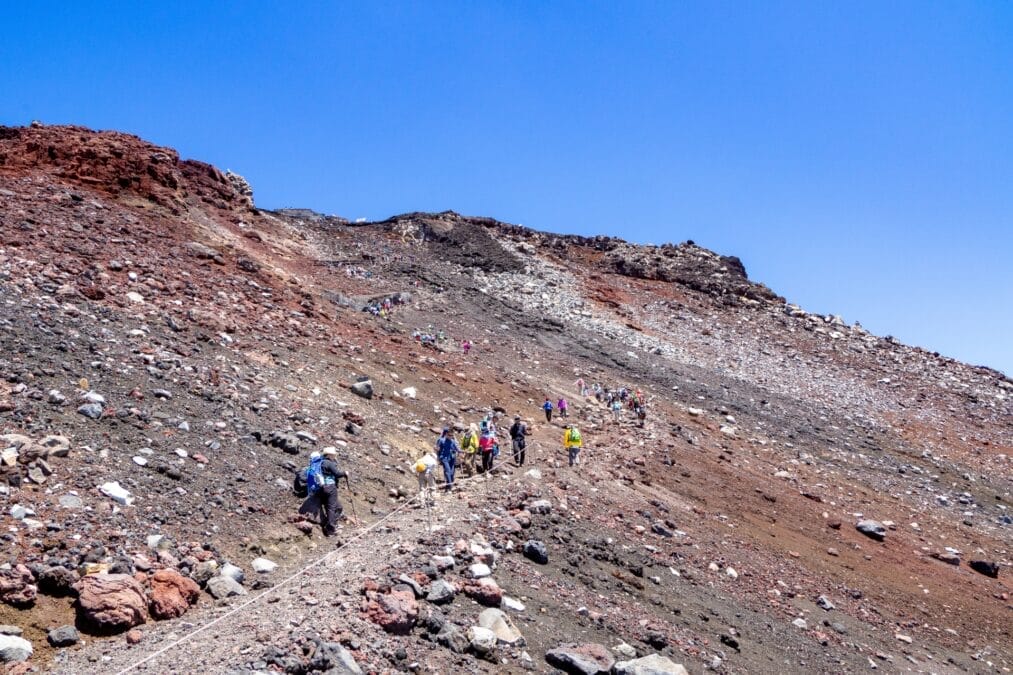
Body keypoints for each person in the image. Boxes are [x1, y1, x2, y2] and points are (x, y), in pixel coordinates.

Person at [299, 447, 348, 536]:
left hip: (320, 489)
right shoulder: (329, 463)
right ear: (329, 455)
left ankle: (332, 525)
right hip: (330, 488)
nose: (334, 456)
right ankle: (330, 529)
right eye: (333, 454)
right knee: (332, 508)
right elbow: (337, 474)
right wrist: (345, 473)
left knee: (338, 507)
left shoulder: (319, 463)